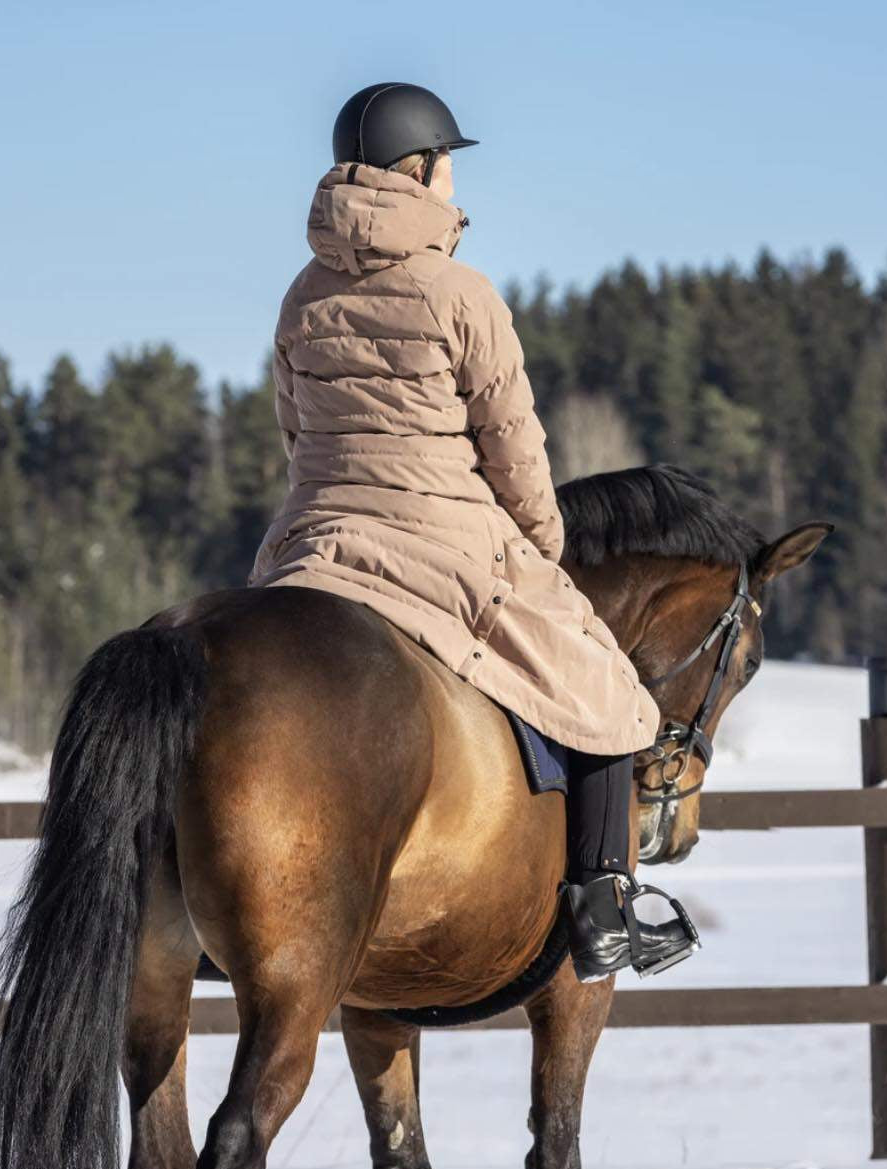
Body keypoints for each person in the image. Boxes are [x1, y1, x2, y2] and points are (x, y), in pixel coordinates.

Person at [249, 82, 696, 981]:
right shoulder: (460, 290)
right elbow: (512, 443)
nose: (452, 179)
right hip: (444, 538)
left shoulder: (302, 293)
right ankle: (605, 903)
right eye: (448, 161)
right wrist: (540, 545)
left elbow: (296, 434)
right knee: (605, 683)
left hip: (313, 541)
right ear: (420, 170)